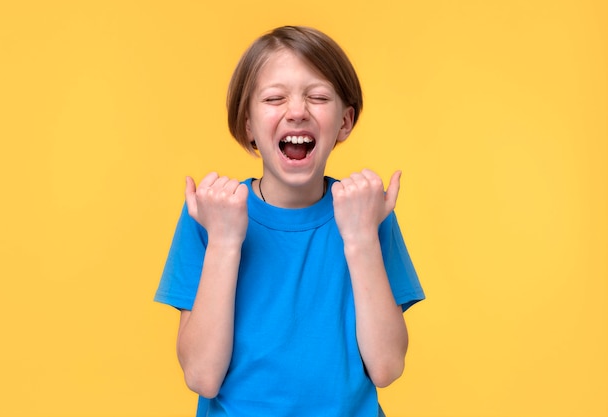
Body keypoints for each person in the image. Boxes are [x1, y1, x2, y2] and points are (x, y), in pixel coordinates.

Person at [154, 25, 425, 417]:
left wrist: (362, 237)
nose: (297, 111)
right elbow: (201, 376)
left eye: (317, 97)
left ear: (344, 122)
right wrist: (225, 242)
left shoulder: (367, 214)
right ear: (248, 124)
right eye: (274, 98)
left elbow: (386, 368)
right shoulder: (210, 215)